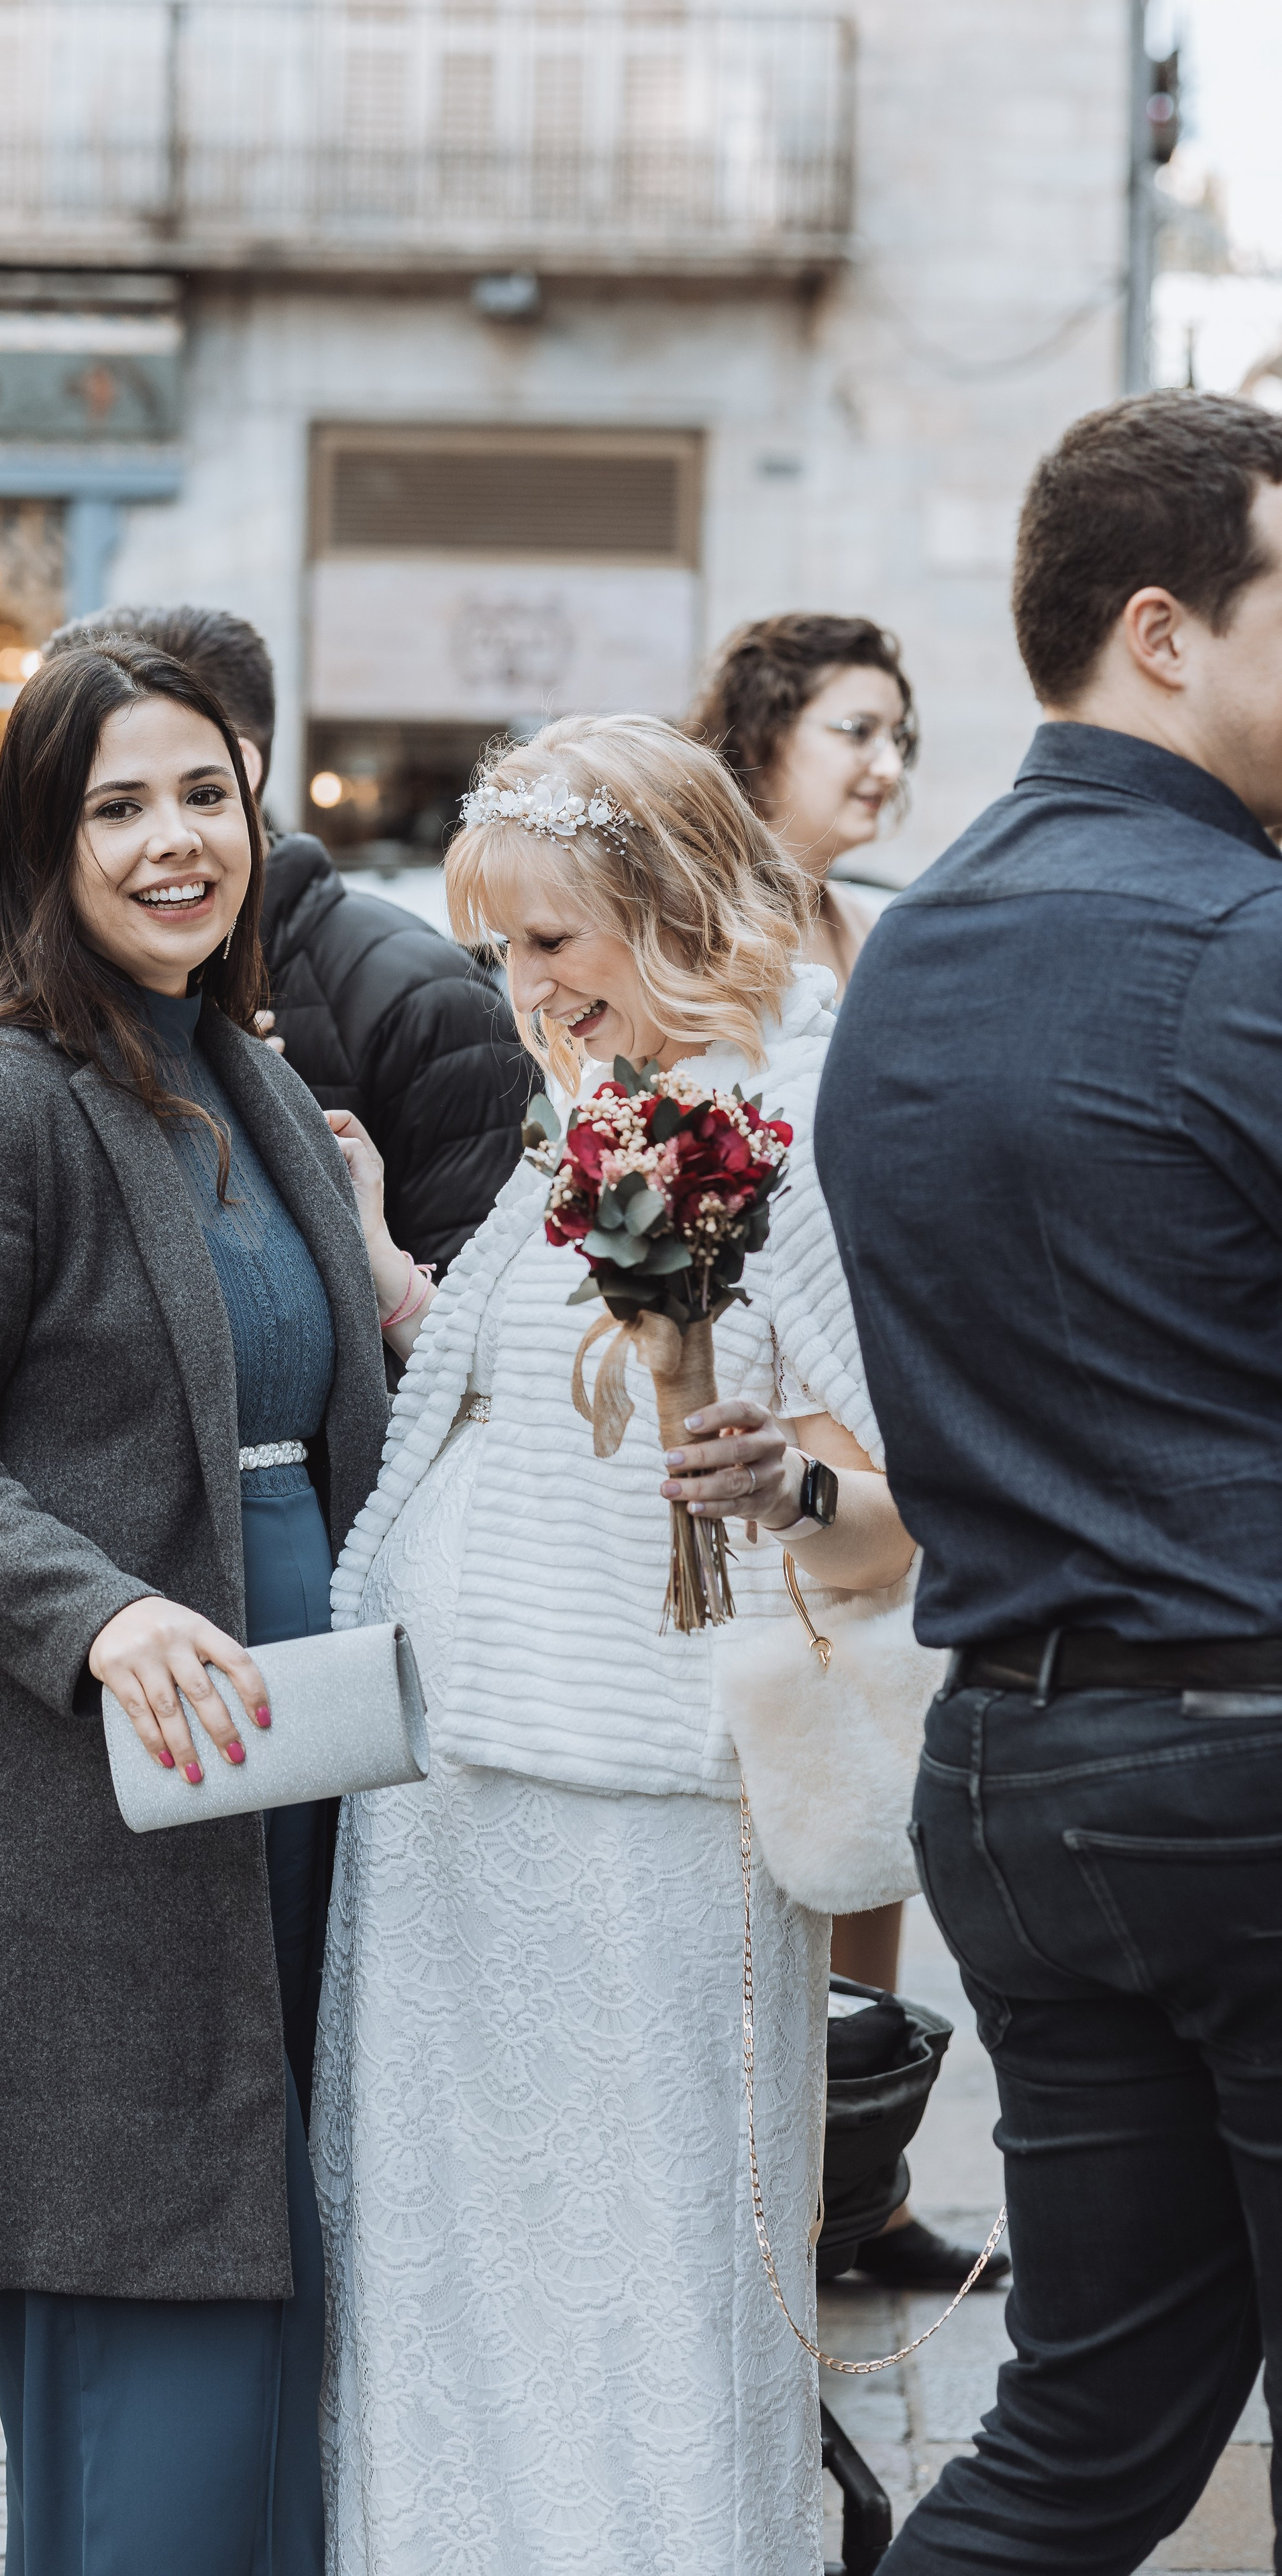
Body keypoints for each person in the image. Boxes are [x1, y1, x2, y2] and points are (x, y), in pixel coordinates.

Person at [314, 713, 918, 2573]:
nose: (526, 986)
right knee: (453, 2284)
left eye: (556, 943)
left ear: (662, 918)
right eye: (503, 946)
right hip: (454, 1807)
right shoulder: (569, 1138)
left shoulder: (761, 1146)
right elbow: (528, 1424)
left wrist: (778, 1488)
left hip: (634, 1827)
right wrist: (400, 1280)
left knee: (637, 2283)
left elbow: (890, 1510)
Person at [0, 643, 396, 2576]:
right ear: (38, 843)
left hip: (296, 1782)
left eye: (204, 797)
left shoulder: (247, 1071)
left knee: (279, 2332)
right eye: (118, 806)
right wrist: (98, 1619)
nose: (175, 843)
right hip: (100, 1827)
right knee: (149, 2389)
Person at [815, 388, 1282, 2573]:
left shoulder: (921, 945)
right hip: (1239, 1749)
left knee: (1087, 2426)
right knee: (1099, 2424)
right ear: (1169, 630)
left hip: (1015, 1765)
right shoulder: (1235, 940)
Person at [692, 612, 1002, 2302]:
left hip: (875, 1364)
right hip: (762, 1369)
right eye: (852, 733)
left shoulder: (864, 922)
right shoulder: (717, 920)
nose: (883, 766)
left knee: (872, 1748)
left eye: (896, 736)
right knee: (782, 1738)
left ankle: (854, 2173)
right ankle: (767, 2168)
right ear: (761, 737)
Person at [44, 604, 531, 1270]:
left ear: (238, 770)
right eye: (108, 805)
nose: (168, 841)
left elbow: (471, 1333)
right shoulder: (30, 1025)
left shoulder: (426, 1002)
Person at [689, 611, 916, 991]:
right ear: (761, 732)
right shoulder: (683, 922)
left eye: (897, 738)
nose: (891, 768)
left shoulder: (872, 928)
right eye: (860, 731)